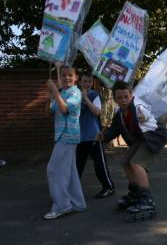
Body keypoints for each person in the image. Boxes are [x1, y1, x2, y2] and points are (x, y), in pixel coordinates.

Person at [97, 81, 167, 221]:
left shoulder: (138, 106)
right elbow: (115, 130)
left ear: (131, 96)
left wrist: (143, 117)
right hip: (140, 140)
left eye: (126, 96)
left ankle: (147, 200)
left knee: (136, 163)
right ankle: (135, 193)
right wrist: (103, 136)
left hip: (152, 137)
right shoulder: (119, 114)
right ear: (115, 99)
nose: (123, 100)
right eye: (119, 98)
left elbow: (145, 114)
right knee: (126, 162)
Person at [44, 66, 86, 220]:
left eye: (70, 75)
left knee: (54, 170)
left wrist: (55, 91)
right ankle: (77, 203)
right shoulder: (62, 93)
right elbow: (49, 112)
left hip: (68, 136)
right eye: (63, 75)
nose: (66, 77)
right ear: (59, 77)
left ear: (76, 78)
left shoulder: (76, 92)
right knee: (69, 171)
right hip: (62, 136)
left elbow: (65, 110)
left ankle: (62, 206)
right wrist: (50, 95)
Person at [76, 72, 115, 199]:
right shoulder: (75, 95)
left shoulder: (94, 95)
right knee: (77, 165)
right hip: (79, 136)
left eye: (89, 81)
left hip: (94, 135)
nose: (87, 84)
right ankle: (73, 188)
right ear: (79, 82)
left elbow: (97, 112)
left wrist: (86, 98)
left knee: (99, 163)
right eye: (84, 81)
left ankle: (108, 187)